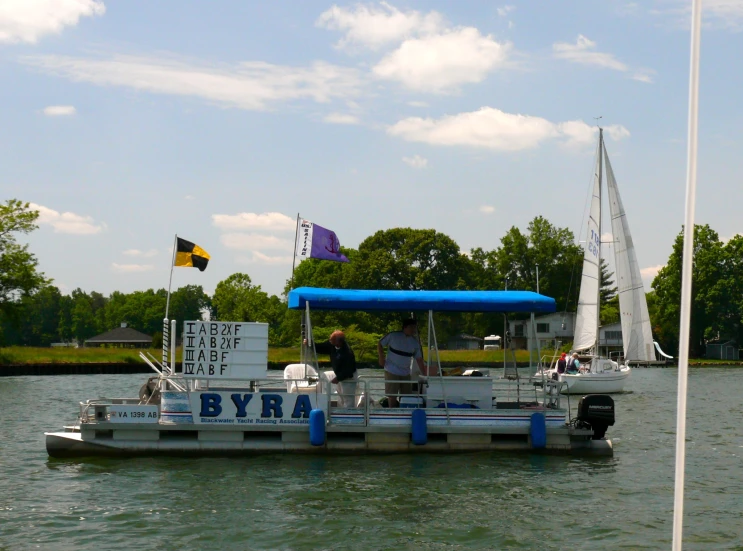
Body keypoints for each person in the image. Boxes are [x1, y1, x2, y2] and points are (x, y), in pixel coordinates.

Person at [377, 319, 428, 408]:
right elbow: (380, 344)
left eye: (414, 328)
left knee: (407, 395)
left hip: (406, 372)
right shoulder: (393, 335)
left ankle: (404, 412)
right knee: (392, 395)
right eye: (411, 327)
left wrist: (425, 374)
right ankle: (392, 412)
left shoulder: (415, 343)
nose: (413, 330)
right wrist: (381, 357)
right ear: (405, 327)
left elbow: (419, 359)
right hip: (391, 369)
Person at [308, 331, 358, 407]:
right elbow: (320, 348)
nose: (330, 340)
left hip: (349, 377)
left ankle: (349, 415)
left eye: (332, 339)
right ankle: (341, 413)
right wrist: (310, 343)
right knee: (341, 397)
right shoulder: (331, 345)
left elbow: (348, 369)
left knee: (348, 398)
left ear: (339, 341)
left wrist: (338, 378)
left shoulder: (347, 352)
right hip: (340, 375)